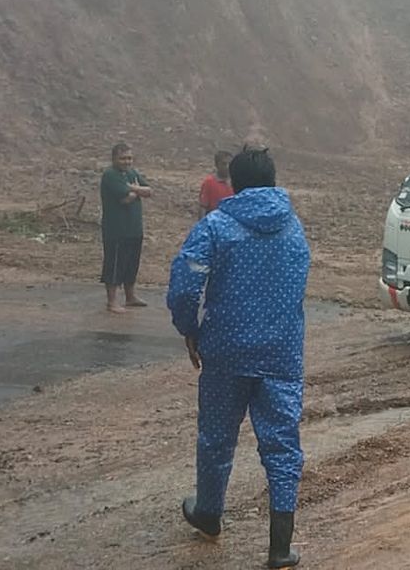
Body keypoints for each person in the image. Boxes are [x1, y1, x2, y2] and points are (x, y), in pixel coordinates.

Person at [166, 146, 310, 568]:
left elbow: (185, 286)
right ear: (273, 179)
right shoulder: (294, 228)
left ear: (234, 181)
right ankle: (280, 547)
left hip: (226, 352)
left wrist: (189, 329)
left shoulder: (216, 226)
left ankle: (209, 513)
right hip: (281, 354)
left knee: (216, 438)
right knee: (283, 448)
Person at [100, 143, 153, 314]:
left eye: (129, 158)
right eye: (123, 158)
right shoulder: (110, 175)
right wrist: (136, 190)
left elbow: (149, 191)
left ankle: (130, 296)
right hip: (116, 229)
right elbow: (125, 199)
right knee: (115, 265)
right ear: (114, 158)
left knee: (131, 264)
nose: (127, 161)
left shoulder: (132, 173)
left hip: (134, 228)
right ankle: (112, 301)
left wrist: (132, 188)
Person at [197, 150, 234, 219]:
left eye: (230, 164)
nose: (227, 167)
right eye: (224, 164)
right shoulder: (209, 182)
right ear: (217, 165)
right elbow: (203, 207)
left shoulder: (236, 182)